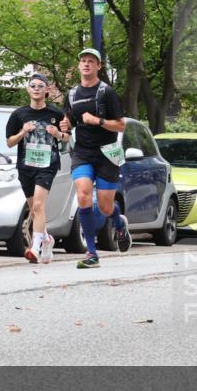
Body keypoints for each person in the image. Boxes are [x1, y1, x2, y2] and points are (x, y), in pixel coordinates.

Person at [59, 48, 130, 269]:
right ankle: (92, 253)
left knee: (107, 207)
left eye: (91, 61)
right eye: (83, 61)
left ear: (99, 66)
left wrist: (97, 121)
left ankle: (119, 223)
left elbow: (121, 125)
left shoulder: (107, 92)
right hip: (83, 153)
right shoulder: (72, 94)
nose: (86, 64)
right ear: (79, 66)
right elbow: (68, 123)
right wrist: (65, 126)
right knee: (83, 196)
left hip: (107, 153)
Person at [5, 73, 69, 264]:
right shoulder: (18, 115)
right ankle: (47, 239)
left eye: (40, 86)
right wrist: (23, 131)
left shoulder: (56, 114)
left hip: (47, 165)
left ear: (47, 90)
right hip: (26, 166)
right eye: (33, 85)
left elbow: (67, 138)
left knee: (39, 206)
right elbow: (9, 142)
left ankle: (35, 247)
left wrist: (58, 133)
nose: (36, 89)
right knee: (35, 210)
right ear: (27, 89)